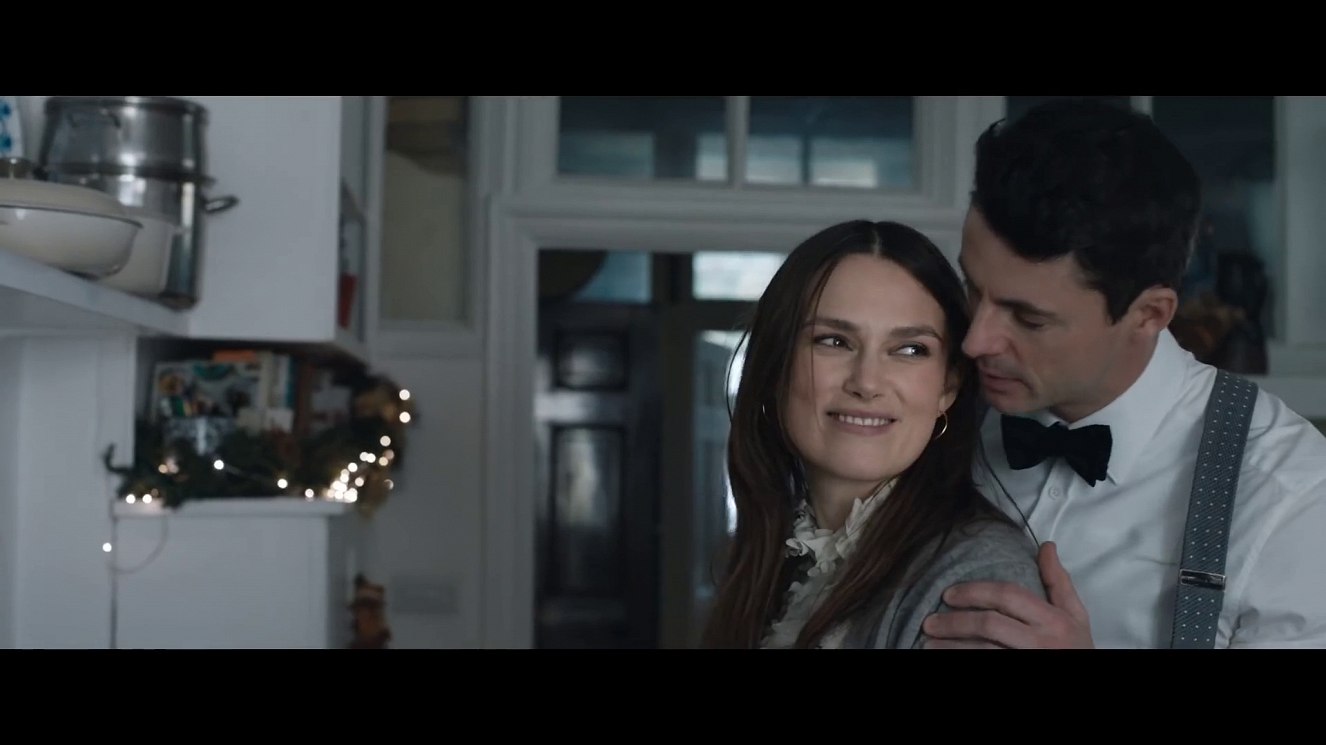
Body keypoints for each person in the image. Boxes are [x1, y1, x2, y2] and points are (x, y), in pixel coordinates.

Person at [922, 98, 1326, 648]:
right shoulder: (928, 408)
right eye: (973, 287)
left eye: (1029, 318)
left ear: (1149, 314)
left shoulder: (1290, 500)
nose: (975, 340)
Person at [701, 219, 1048, 649]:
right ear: (776, 368)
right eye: (833, 341)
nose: (866, 383)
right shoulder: (777, 557)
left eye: (910, 349)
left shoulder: (977, 577)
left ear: (948, 387)